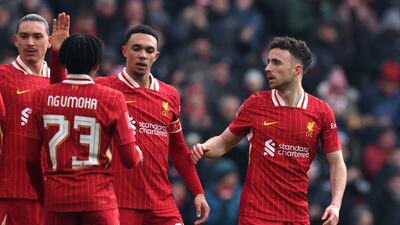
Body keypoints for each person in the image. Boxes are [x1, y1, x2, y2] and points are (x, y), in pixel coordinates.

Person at [51, 23, 209, 225]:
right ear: (125, 51)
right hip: (119, 202)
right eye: (137, 49)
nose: (143, 55)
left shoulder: (169, 95)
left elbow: (178, 149)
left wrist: (197, 192)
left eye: (149, 50)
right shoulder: (103, 88)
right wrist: (56, 54)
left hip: (161, 203)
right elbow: (58, 96)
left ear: (156, 56)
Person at [190, 36, 347, 225]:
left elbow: (337, 163)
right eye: (268, 61)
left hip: (297, 216)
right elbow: (223, 143)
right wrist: (204, 147)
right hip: (257, 215)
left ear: (296, 70)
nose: (267, 68)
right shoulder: (256, 104)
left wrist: (335, 204)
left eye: (276, 62)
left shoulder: (321, 111)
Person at [26, 33, 143, 225]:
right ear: (97, 65)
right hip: (98, 199)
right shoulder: (112, 98)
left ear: (64, 62)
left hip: (57, 199)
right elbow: (129, 159)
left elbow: (30, 159)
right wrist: (138, 153)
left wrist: (42, 194)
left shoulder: (40, 97)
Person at [0, 13, 69, 225]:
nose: (30, 42)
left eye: (37, 37)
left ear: (49, 41)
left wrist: (59, 55)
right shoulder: (2, 77)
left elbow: (63, 97)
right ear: (15, 40)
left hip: (53, 192)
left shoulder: (60, 80)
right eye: (24, 36)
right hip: (13, 189)